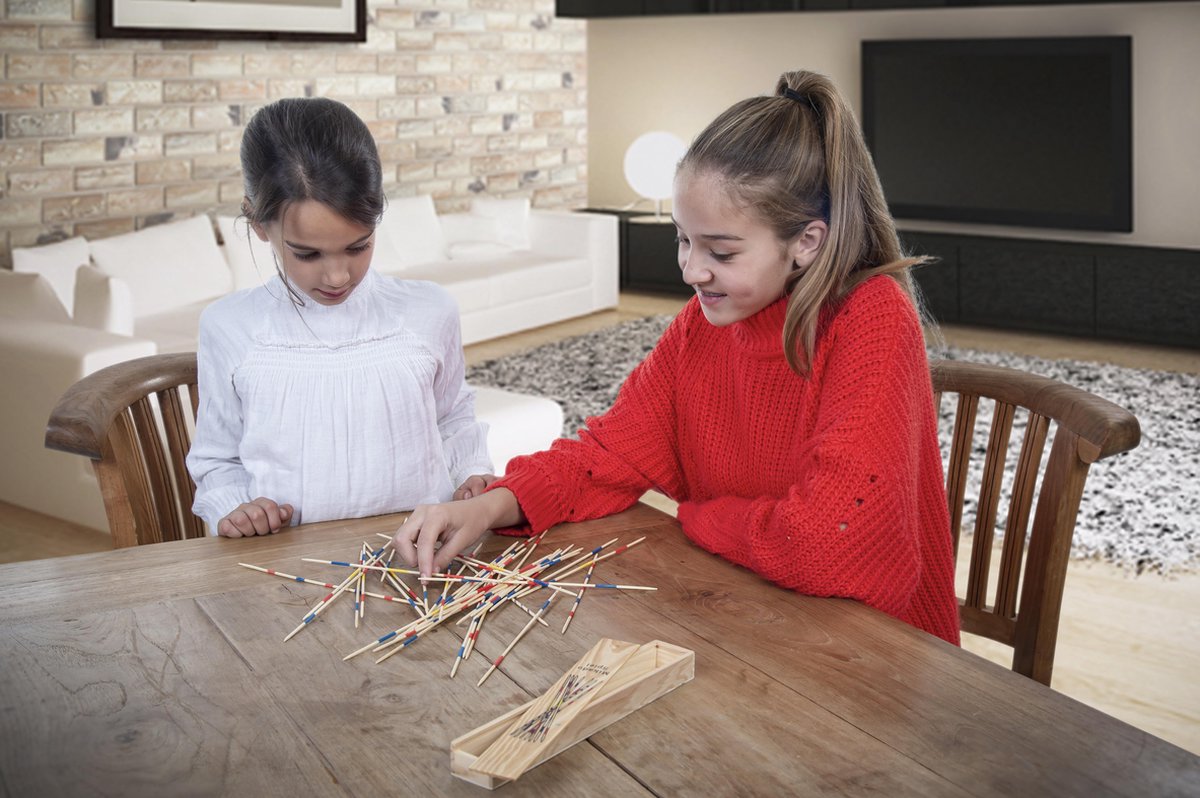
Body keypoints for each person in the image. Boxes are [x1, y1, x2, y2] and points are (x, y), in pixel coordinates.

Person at [392, 71, 960, 644]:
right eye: (683, 239)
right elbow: (607, 457)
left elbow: (832, 546)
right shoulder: (705, 324)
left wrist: (697, 518)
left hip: (873, 652)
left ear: (806, 243)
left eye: (721, 250)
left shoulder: (871, 316)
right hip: (749, 612)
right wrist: (490, 507)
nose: (691, 271)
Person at [187, 97, 494, 538]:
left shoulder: (429, 311)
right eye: (307, 253)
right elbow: (217, 460)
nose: (337, 276)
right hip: (285, 568)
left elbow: (453, 419)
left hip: (422, 555)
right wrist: (238, 509)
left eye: (358, 246)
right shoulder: (229, 326)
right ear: (257, 223)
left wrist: (472, 473)